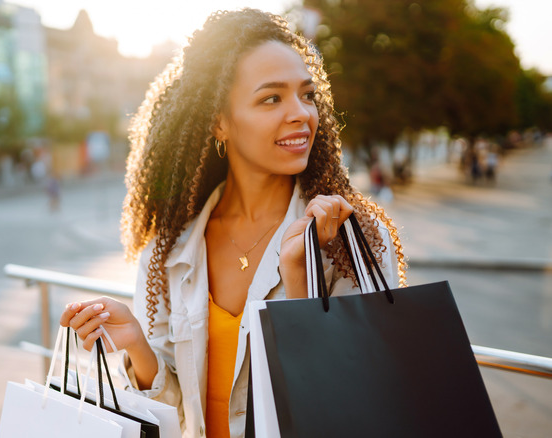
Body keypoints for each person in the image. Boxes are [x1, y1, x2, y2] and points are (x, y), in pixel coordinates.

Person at [59, 9, 406, 437]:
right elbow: (180, 415)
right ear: (219, 122)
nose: (301, 113)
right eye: (271, 98)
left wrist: (301, 284)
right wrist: (135, 343)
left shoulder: (349, 236)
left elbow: (350, 401)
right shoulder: (169, 250)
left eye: (307, 94)